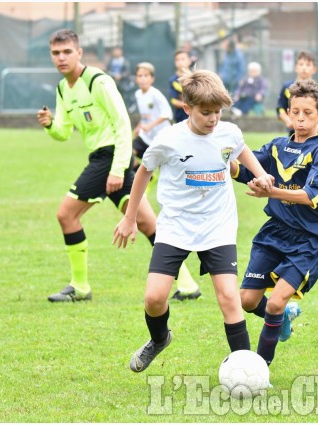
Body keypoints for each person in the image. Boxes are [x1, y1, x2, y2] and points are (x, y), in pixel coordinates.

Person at [113, 69, 275, 373]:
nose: (213, 119)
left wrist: (261, 174)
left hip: (218, 225)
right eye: (205, 113)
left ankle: (247, 370)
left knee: (229, 297)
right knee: (154, 297)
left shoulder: (228, 132)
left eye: (217, 112)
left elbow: (242, 152)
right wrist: (129, 218)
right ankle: (159, 339)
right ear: (187, 109)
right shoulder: (169, 139)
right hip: (176, 226)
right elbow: (143, 173)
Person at [37, 29, 198, 303]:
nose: (61, 58)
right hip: (103, 159)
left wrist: (117, 167)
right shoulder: (63, 88)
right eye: (56, 53)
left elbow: (122, 124)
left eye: (67, 52)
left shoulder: (98, 81)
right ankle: (187, 283)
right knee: (149, 224)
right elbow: (64, 132)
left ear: (79, 53)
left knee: (66, 215)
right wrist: (51, 124)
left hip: (110, 158)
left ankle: (80, 286)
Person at [231, 79, 318, 370]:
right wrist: (220, 158)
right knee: (246, 299)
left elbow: (310, 195)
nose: (301, 118)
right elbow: (245, 169)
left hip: (309, 239)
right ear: (288, 114)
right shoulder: (278, 147)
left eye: (308, 113)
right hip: (275, 232)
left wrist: (271, 192)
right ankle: (283, 317)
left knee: (277, 300)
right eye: (296, 112)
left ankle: (260, 369)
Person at [132, 61, 201, 301]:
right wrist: (140, 127)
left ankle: (145, 191)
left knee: (150, 169)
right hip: (145, 137)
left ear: (151, 78)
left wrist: (150, 125)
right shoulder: (138, 96)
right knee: (134, 164)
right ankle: (142, 190)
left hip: (159, 139)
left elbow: (166, 115)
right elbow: (144, 117)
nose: (141, 79)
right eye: (138, 75)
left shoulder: (156, 95)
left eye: (145, 75)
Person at [276, 50, 318, 216]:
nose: (304, 68)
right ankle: (305, 202)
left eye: (308, 65)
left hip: (312, 138)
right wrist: (287, 120)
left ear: (314, 69)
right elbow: (279, 109)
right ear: (295, 67)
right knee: (295, 170)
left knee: (313, 168)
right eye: (301, 64)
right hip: (293, 137)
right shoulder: (287, 88)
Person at [168, 50, 192, 124]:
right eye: (177, 60)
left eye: (183, 59)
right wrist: (190, 106)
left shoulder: (196, 78)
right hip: (180, 118)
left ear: (189, 61)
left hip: (195, 117)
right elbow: (174, 101)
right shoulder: (173, 80)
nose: (180, 62)